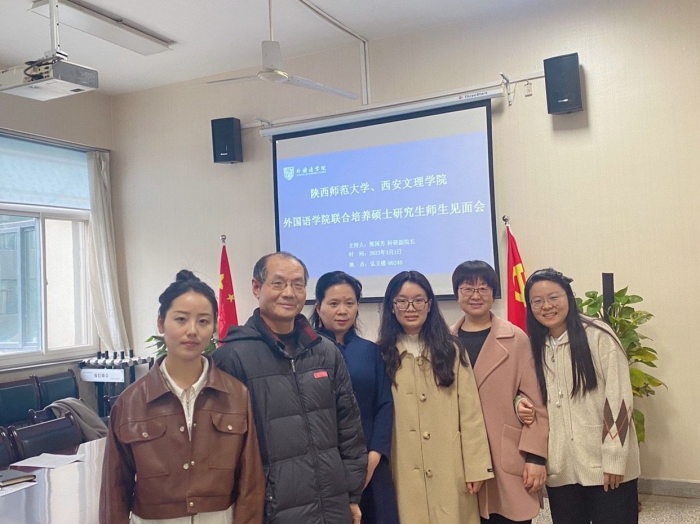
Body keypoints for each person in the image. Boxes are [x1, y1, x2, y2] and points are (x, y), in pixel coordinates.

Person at [213, 253, 367, 524]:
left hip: (332, 506)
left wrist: (352, 494)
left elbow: (350, 428)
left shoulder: (325, 351)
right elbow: (225, 449)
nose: (289, 292)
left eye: (298, 284)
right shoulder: (232, 358)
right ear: (256, 287)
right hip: (273, 509)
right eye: (278, 283)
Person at [100, 270, 264, 524]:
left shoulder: (236, 394)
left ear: (214, 326)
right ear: (161, 323)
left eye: (203, 321)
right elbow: (114, 489)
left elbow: (250, 481)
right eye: (181, 319)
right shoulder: (130, 402)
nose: (192, 331)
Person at [522, 268, 640, 524]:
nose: (546, 306)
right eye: (537, 301)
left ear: (569, 297)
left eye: (554, 297)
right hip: (562, 469)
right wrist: (519, 403)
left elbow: (619, 399)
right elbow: (524, 390)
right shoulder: (535, 345)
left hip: (605, 466)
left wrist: (614, 458)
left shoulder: (599, 336)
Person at [377, 270, 493, 524]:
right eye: (402, 301)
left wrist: (476, 467)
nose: (411, 308)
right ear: (392, 307)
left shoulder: (451, 350)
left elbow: (470, 413)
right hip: (402, 467)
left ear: (429, 304)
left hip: (449, 465)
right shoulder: (380, 354)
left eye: (418, 300)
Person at [449, 261, 549, 524]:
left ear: (493, 293)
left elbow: (537, 403)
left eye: (483, 288)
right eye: (467, 288)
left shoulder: (516, 339)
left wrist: (536, 457)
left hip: (506, 457)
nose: (475, 295)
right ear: (456, 293)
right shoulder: (444, 343)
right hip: (461, 460)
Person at [310, 271, 399, 524]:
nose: (342, 310)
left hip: (371, 463)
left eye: (349, 303)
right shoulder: (306, 353)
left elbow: (384, 404)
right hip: (325, 465)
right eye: (333, 303)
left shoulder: (370, 351)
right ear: (318, 307)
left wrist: (375, 455)